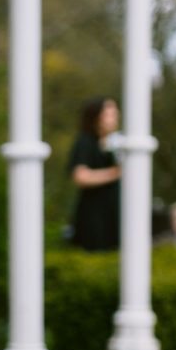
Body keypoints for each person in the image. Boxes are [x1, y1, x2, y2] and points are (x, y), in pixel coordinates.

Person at [68, 97, 122, 251]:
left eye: (115, 113)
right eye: (109, 114)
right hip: (95, 214)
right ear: (96, 117)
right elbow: (80, 176)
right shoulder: (85, 142)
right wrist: (116, 173)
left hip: (114, 212)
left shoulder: (116, 141)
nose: (114, 117)